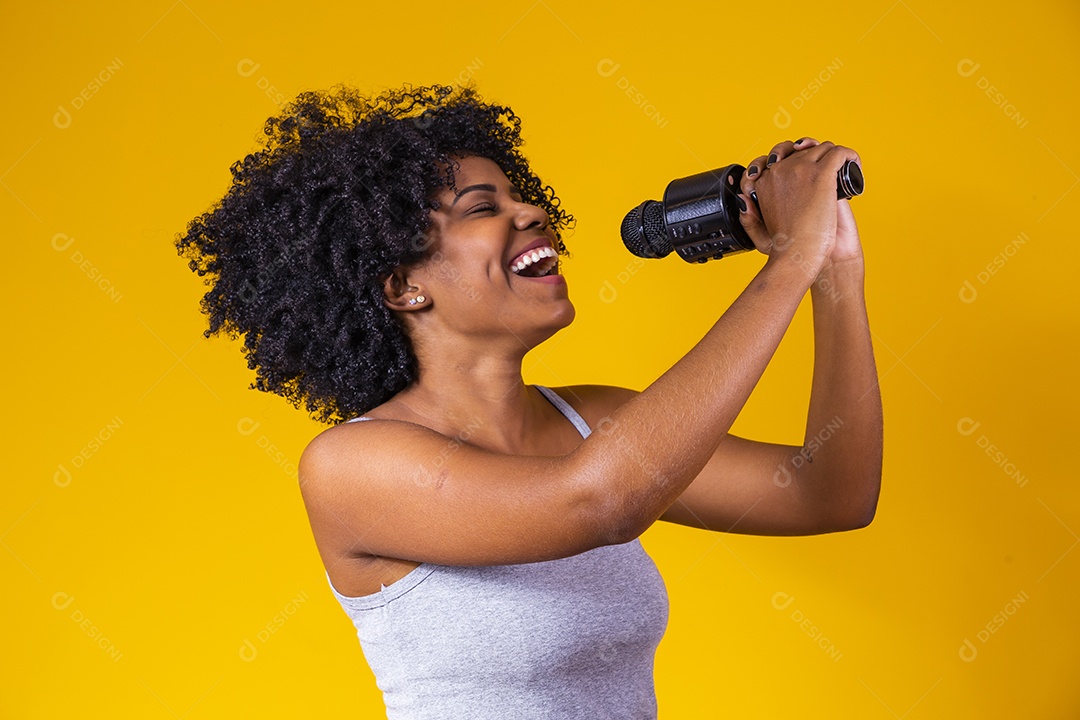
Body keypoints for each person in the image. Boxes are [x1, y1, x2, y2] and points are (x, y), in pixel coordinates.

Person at [176, 82, 882, 719]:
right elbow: (601, 503)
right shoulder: (351, 466)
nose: (532, 212)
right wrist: (791, 257)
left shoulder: (594, 424)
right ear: (401, 286)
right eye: (484, 207)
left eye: (521, 195)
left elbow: (829, 493)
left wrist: (833, 271)